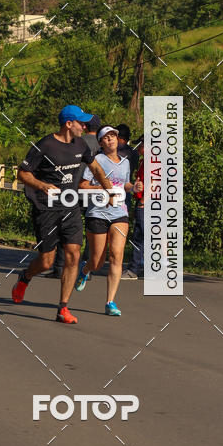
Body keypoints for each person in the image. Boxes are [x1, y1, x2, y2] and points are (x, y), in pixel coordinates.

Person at [11, 105, 113, 324]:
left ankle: (63, 308)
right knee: (47, 262)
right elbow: (22, 173)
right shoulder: (45, 145)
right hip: (46, 209)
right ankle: (26, 276)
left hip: (71, 207)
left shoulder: (81, 144)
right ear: (69, 124)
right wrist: (41, 184)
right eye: (81, 123)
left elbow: (95, 168)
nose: (85, 126)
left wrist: (109, 189)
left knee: (74, 254)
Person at [75, 126, 138, 316]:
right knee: (97, 261)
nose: (111, 139)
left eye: (114, 136)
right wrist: (103, 191)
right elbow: (83, 186)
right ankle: (85, 270)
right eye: (106, 137)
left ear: (118, 140)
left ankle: (110, 302)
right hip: (97, 213)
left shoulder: (125, 162)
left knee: (116, 256)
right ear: (101, 142)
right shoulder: (96, 161)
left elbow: (124, 184)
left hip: (120, 213)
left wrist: (133, 186)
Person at [50, 113, 102, 279]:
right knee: (91, 231)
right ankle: (86, 268)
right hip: (92, 191)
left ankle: (59, 267)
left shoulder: (77, 141)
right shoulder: (101, 145)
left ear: (85, 126)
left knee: (64, 229)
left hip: (71, 190)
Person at [122, 139, 144, 279]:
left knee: (139, 236)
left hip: (146, 203)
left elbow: (154, 181)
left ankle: (133, 270)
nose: (139, 148)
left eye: (141, 145)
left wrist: (143, 200)